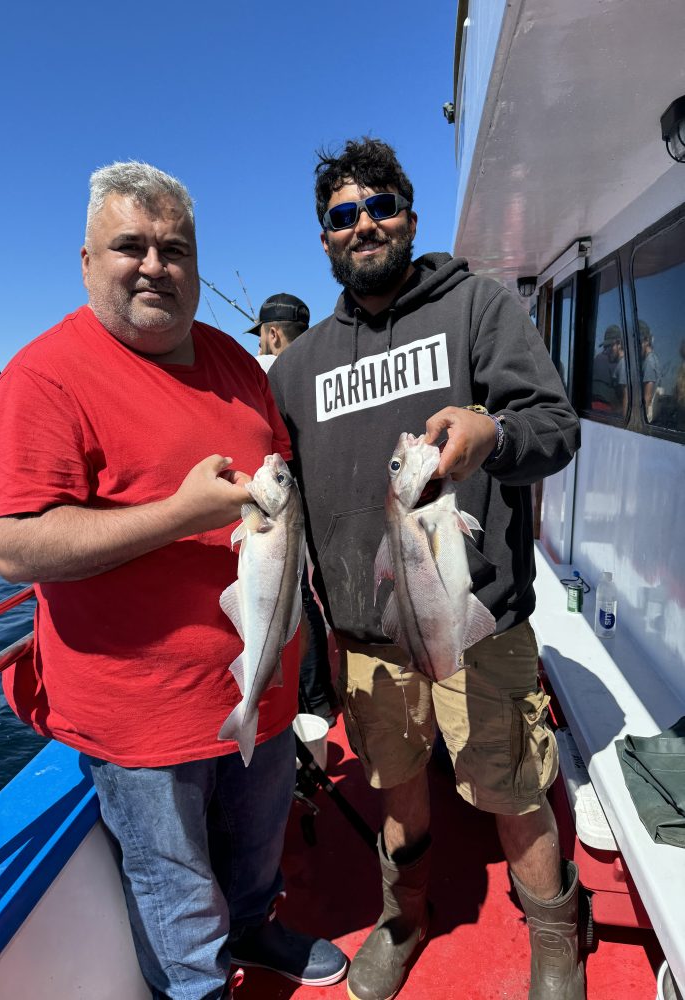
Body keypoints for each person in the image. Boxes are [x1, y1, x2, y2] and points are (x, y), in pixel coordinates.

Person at [0, 162, 347, 1000]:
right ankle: (198, 986)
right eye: (129, 246)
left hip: (260, 676)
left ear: (198, 264)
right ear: (84, 261)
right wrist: (178, 516)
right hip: (140, 713)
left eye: (175, 248)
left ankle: (257, 926)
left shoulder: (236, 362)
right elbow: (16, 549)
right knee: (174, 887)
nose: (155, 265)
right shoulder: (43, 379)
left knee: (256, 849)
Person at [268, 138, 584, 1000]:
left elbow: (555, 427)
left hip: (474, 617)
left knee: (513, 789)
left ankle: (556, 929)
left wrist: (498, 435)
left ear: (409, 216)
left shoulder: (479, 308)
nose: (363, 223)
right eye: (343, 215)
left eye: (380, 207)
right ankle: (402, 918)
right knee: (396, 788)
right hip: (368, 636)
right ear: (325, 237)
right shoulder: (295, 368)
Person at [247, 294, 338, 726]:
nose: (260, 347)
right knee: (304, 595)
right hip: (314, 499)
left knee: (292, 597)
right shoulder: (320, 371)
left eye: (262, 338)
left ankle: (306, 700)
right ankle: (320, 699)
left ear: (273, 333)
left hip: (278, 501)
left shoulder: (264, 374)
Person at [246, 292, 311, 371]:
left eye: (261, 334)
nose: (260, 341)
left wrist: (262, 361)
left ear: (273, 334)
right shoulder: (318, 363)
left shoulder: (258, 366)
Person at [591, 324, 628, 415]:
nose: (608, 351)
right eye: (605, 347)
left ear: (619, 343)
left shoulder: (623, 364)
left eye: (610, 346)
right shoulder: (602, 359)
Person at [639, 320, 662, 422]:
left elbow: (647, 396)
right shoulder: (653, 358)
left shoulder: (649, 362)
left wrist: (640, 420)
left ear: (647, 341)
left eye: (638, 342)